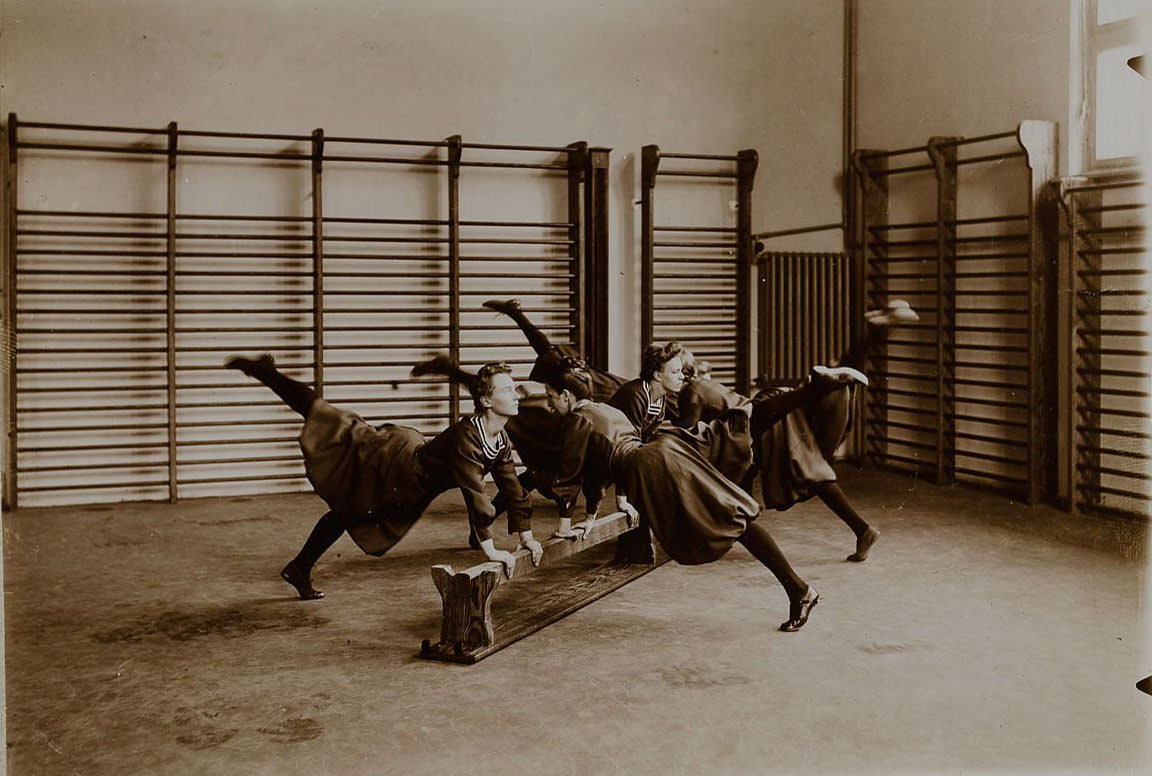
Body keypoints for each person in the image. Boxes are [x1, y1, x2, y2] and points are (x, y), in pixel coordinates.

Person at [535, 356, 836, 631]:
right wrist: (591, 516)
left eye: (551, 398)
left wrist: (564, 525)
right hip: (662, 455)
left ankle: (801, 591)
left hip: (650, 469)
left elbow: (570, 473)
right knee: (733, 518)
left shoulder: (576, 419)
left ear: (566, 396)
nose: (550, 405)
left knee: (730, 521)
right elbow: (601, 467)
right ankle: (799, 590)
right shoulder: (603, 409)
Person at [224, 354, 543, 600]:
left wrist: (527, 537)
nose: (517, 395)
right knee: (329, 418)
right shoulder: (467, 438)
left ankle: (299, 568)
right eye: (508, 390)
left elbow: (512, 487)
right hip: (397, 465)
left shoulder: (499, 440)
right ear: (487, 401)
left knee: (352, 512)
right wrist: (491, 550)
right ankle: (264, 371)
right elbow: (475, 494)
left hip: (412, 482)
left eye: (515, 388)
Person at [748, 299, 919, 563]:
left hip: (792, 406)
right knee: (810, 470)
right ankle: (872, 336)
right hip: (817, 406)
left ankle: (863, 530)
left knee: (809, 471)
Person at [409, 354, 603, 540]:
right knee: (517, 481)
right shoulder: (534, 409)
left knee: (519, 484)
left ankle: (481, 526)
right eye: (549, 395)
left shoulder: (584, 420)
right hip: (543, 448)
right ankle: (481, 526)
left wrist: (590, 514)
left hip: (550, 456)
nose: (550, 400)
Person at [481, 298, 627, 402]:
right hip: (592, 388)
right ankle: (516, 314)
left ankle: (516, 314)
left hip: (594, 391)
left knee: (551, 357)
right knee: (552, 358)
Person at [607, 341, 684, 439]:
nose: (682, 377)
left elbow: (647, 436)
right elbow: (629, 439)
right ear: (657, 375)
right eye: (675, 372)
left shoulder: (660, 397)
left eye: (681, 371)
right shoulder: (635, 395)